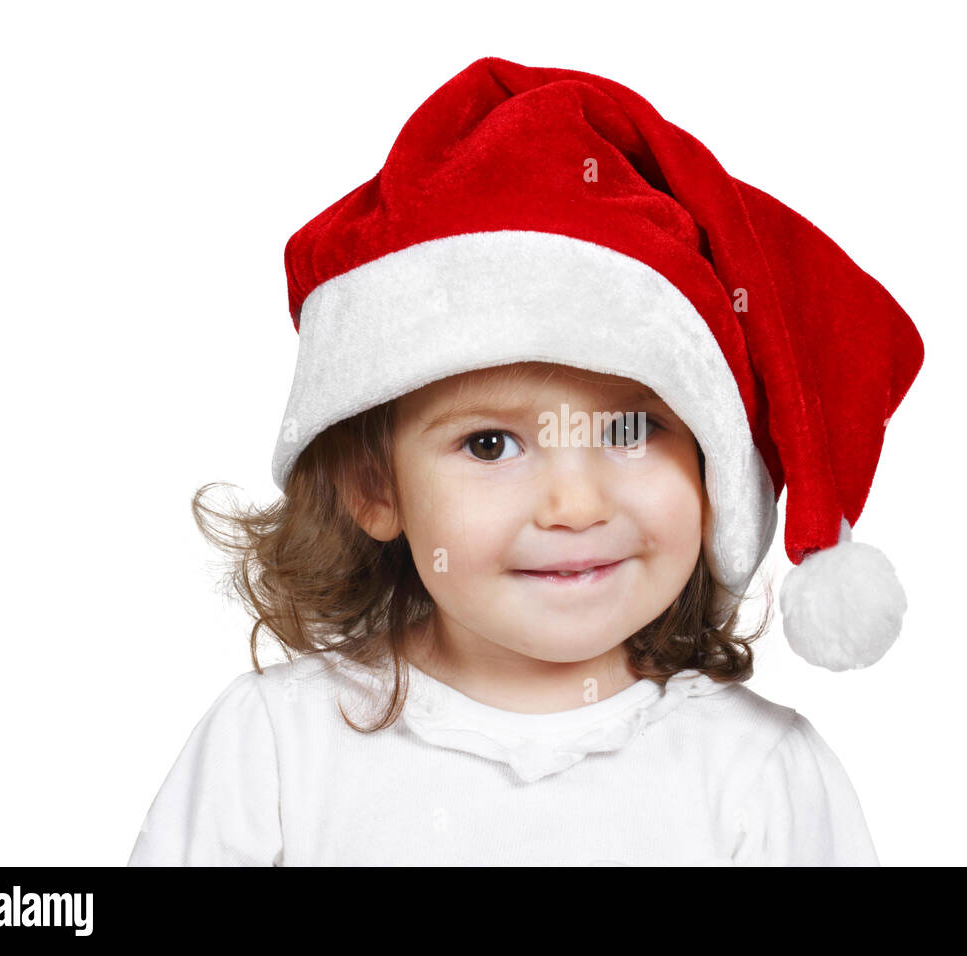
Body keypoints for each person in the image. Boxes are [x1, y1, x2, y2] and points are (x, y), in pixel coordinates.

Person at [126, 56, 924, 867]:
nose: (574, 504)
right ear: (374, 484)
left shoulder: (757, 779)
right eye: (489, 444)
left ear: (714, 468)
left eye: (632, 430)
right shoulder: (273, 752)